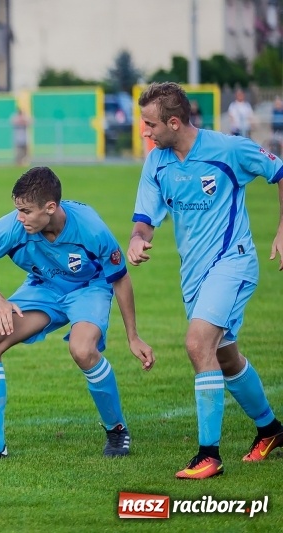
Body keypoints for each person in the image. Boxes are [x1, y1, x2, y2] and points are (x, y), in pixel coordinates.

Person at [129, 82, 283, 479]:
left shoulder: (229, 149)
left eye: (149, 124)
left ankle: (208, 456)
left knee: (198, 344)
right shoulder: (156, 162)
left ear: (175, 122)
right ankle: (271, 431)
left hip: (233, 263)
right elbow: (145, 219)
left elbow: (279, 170)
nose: (144, 131)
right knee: (225, 355)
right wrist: (136, 241)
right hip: (194, 275)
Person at [0, 166, 154, 462]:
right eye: (17, 209)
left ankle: (116, 428)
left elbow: (120, 277)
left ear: (50, 207)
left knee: (83, 350)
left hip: (88, 288)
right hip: (43, 287)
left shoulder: (91, 228)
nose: (20, 217)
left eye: (26, 211)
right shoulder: (13, 227)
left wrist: (133, 337)